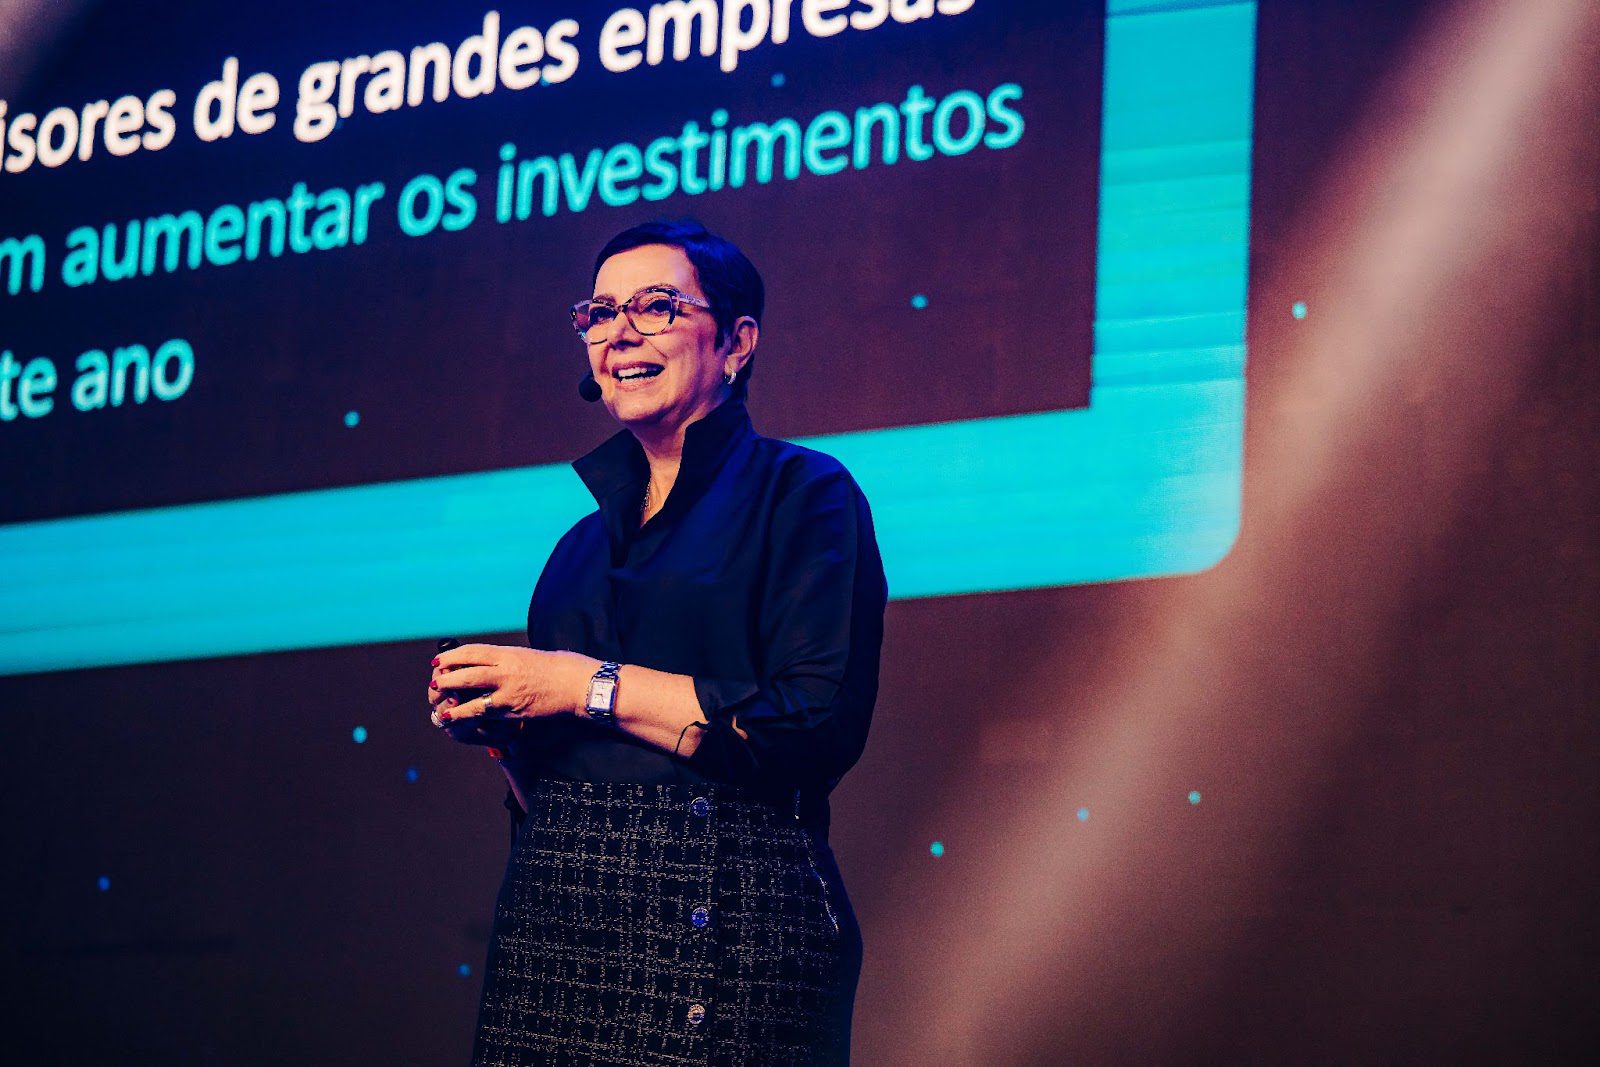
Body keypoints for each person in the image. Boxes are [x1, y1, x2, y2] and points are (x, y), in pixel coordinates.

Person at [426, 218, 887, 1066]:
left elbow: (809, 724)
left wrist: (578, 684)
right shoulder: (575, 551)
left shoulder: (804, 493)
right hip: (557, 932)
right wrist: (504, 732)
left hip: (733, 921)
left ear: (736, 342)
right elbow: (551, 788)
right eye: (600, 313)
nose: (620, 333)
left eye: (657, 306)